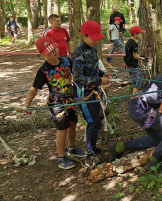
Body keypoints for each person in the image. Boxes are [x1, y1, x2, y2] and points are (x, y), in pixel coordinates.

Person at [16, 36, 85, 169]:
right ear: (42, 54)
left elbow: (76, 74)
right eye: (50, 50)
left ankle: (72, 148)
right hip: (56, 103)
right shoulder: (43, 70)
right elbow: (33, 90)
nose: (55, 51)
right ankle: (61, 157)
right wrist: (26, 104)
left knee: (73, 124)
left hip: (69, 99)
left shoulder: (66, 60)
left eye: (55, 48)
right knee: (62, 130)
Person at [72, 20, 112, 167]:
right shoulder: (78, 52)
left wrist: (104, 75)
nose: (96, 41)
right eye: (93, 37)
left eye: (97, 38)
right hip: (84, 94)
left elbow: (94, 68)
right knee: (93, 123)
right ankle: (90, 154)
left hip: (94, 90)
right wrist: (99, 80)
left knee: (97, 120)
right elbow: (77, 77)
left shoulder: (93, 49)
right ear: (84, 35)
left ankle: (93, 148)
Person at [124, 26, 147, 96]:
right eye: (139, 34)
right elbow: (135, 56)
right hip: (133, 66)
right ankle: (134, 99)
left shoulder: (128, 42)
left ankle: (135, 98)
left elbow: (131, 54)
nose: (141, 35)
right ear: (135, 34)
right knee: (137, 84)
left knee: (137, 81)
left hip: (130, 65)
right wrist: (143, 58)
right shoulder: (134, 44)